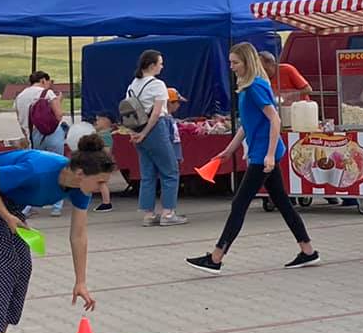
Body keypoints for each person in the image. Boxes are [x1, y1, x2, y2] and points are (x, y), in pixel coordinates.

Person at [0, 137, 114, 333]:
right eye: (100, 182)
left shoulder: (80, 189)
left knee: (23, 266)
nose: (103, 189)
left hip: (6, 200)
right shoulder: (38, 170)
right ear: (80, 173)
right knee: (4, 265)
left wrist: (80, 281)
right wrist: (7, 216)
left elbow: (78, 236)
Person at [186, 42, 320, 276]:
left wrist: (269, 155)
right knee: (282, 202)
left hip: (262, 154)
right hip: (262, 151)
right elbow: (247, 124)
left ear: (247, 62)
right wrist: (229, 150)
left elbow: (274, 119)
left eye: (235, 62)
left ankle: (216, 257)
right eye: (230, 62)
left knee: (239, 204)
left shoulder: (255, 86)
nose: (231, 67)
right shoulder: (248, 86)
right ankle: (307, 250)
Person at [126, 51, 186, 227]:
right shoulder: (158, 85)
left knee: (148, 173)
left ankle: (148, 214)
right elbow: (157, 112)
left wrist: (135, 133)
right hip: (155, 129)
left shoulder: (132, 85)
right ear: (152, 65)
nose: (162, 66)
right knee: (170, 170)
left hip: (137, 129)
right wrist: (145, 132)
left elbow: (128, 111)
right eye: (160, 63)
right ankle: (168, 213)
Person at [14, 70, 66, 153]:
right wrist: (58, 101)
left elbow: (20, 120)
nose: (50, 85)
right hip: (51, 135)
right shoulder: (47, 93)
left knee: (39, 160)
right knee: (55, 161)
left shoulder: (19, 97)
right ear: (43, 80)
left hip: (32, 137)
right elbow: (59, 115)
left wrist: (27, 136)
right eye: (50, 82)